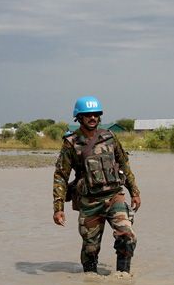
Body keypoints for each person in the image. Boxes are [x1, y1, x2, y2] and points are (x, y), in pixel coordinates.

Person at [53, 96, 140, 274]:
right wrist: (58, 207)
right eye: (87, 115)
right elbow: (61, 175)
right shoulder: (71, 143)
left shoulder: (110, 137)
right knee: (90, 249)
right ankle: (90, 283)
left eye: (95, 114)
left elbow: (124, 165)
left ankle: (123, 276)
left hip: (114, 196)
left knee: (127, 236)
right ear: (79, 117)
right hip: (89, 203)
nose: (92, 118)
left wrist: (135, 192)